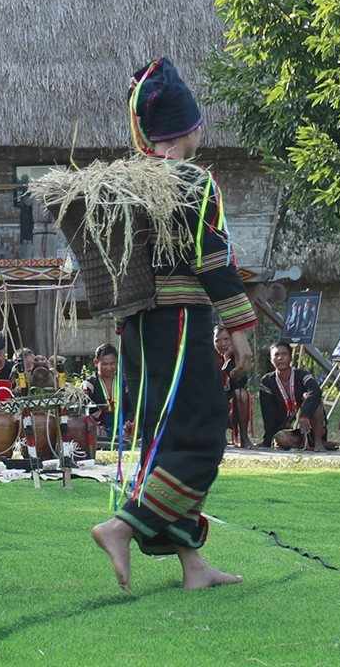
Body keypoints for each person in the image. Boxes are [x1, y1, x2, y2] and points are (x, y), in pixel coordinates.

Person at [90, 57, 254, 592]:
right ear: (189, 128)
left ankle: (192, 565)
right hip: (180, 325)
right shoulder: (191, 180)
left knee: (167, 439)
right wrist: (239, 327)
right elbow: (213, 259)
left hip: (138, 331)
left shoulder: (129, 184)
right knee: (203, 436)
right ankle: (121, 527)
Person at [258, 340, 331, 450]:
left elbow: (315, 391)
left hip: (309, 423)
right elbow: (268, 414)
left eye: (284, 354)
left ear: (291, 358)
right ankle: (306, 444)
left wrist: (305, 414)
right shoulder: (267, 381)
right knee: (280, 438)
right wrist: (267, 440)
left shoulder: (302, 375)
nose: (280, 358)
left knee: (311, 397)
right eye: (276, 355)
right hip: (288, 428)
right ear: (271, 360)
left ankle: (318, 442)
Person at [213, 325, 254, 448]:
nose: (223, 343)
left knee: (242, 394)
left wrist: (228, 360)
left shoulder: (238, 356)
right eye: (217, 340)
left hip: (229, 402)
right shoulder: (207, 356)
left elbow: (239, 383)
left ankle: (243, 437)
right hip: (211, 401)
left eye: (226, 339)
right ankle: (217, 436)